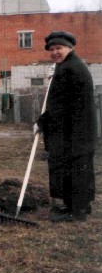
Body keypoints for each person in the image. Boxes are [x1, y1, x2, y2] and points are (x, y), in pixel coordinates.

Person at [35, 31, 95, 222]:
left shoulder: (72, 69)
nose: (54, 52)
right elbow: (58, 103)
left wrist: (42, 122)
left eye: (58, 48)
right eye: (51, 49)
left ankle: (76, 212)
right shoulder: (65, 66)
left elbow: (62, 105)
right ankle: (77, 206)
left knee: (76, 169)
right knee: (73, 169)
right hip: (71, 128)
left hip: (75, 129)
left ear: (69, 48)